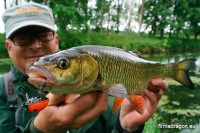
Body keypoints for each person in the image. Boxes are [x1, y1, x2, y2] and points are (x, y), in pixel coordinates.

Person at [0, 2, 168, 133]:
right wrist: (39, 130)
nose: (36, 45)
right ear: (8, 47)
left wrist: (125, 127)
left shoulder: (105, 86)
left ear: (56, 40)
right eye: (23, 38)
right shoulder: (2, 92)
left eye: (44, 36)